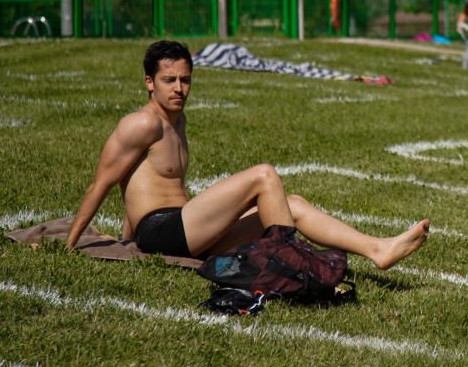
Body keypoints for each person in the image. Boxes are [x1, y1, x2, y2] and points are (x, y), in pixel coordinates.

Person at [66, 40, 430, 269]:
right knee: (264, 175)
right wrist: (71, 244)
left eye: (186, 79)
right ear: (149, 82)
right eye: (169, 80)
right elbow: (103, 183)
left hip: (188, 232)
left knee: (295, 204)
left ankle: (378, 249)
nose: (179, 88)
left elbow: (141, 182)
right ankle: (291, 262)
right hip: (163, 230)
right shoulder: (139, 124)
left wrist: (126, 237)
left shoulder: (178, 120)